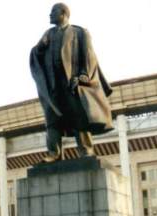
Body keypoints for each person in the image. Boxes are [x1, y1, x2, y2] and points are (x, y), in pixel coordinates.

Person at [30, 3, 114, 162]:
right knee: (52, 118)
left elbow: (89, 56)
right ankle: (54, 153)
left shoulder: (79, 32)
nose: (49, 15)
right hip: (53, 85)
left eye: (53, 12)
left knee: (78, 117)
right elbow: (37, 55)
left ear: (63, 13)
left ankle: (86, 150)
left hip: (72, 83)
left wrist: (84, 75)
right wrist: (39, 48)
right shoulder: (48, 34)